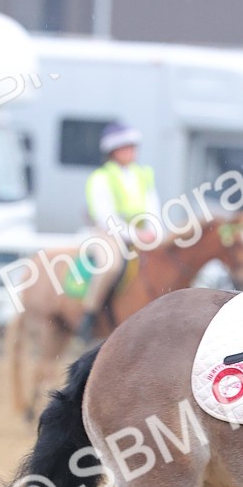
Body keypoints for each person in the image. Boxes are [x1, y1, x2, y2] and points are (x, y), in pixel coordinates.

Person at [76, 122, 161, 342]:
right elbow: (106, 217)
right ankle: (90, 314)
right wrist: (135, 235)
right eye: (125, 147)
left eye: (132, 147)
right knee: (111, 265)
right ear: (113, 151)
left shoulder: (143, 175)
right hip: (108, 234)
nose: (130, 151)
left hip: (142, 234)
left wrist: (154, 231)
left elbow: (153, 207)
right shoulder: (101, 178)